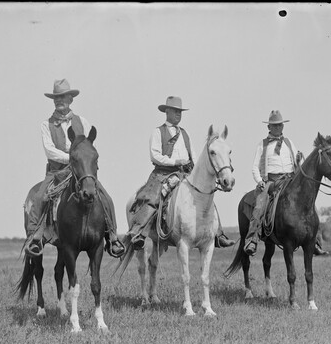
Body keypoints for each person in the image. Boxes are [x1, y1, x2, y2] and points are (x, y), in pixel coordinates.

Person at [25, 79, 125, 258]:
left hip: (80, 171)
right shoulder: (46, 125)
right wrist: (71, 158)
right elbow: (49, 151)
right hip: (56, 172)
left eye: (63, 97)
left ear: (70, 99)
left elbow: (87, 147)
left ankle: (112, 236)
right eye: (56, 98)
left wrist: (80, 161)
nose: (59, 100)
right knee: (40, 196)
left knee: (105, 197)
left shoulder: (83, 122)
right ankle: (35, 237)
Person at [126, 96, 235, 251]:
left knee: (206, 194)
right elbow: (154, 155)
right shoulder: (158, 132)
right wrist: (175, 162)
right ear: (167, 112)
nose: (178, 114)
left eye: (180, 111)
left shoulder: (185, 133)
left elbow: (194, 156)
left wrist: (197, 172)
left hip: (185, 173)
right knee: (154, 197)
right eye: (175, 111)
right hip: (162, 173)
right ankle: (138, 232)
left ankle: (218, 233)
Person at [244, 110, 328, 256]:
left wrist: (298, 160)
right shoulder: (262, 145)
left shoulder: (289, 143)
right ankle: (253, 239)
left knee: (310, 204)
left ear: (283, 126)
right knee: (260, 205)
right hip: (271, 181)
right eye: (274, 125)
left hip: (290, 180)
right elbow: (254, 168)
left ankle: (315, 241)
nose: (277, 128)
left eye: (280, 125)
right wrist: (260, 181)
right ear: (269, 127)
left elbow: (298, 162)